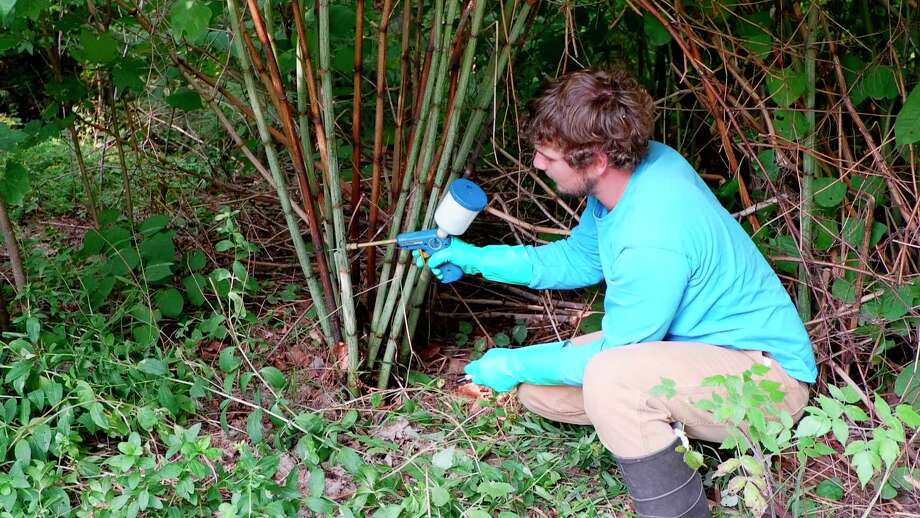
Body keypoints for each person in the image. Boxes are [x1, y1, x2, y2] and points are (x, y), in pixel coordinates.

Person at [415, 69, 817, 518]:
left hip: (766, 383)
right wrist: (478, 259)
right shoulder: (637, 172)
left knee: (608, 380)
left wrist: (513, 361)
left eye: (549, 156)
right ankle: (673, 436)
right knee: (538, 392)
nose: (537, 165)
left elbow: (618, 352)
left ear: (597, 160)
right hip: (695, 351)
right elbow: (580, 259)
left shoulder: (650, 238)